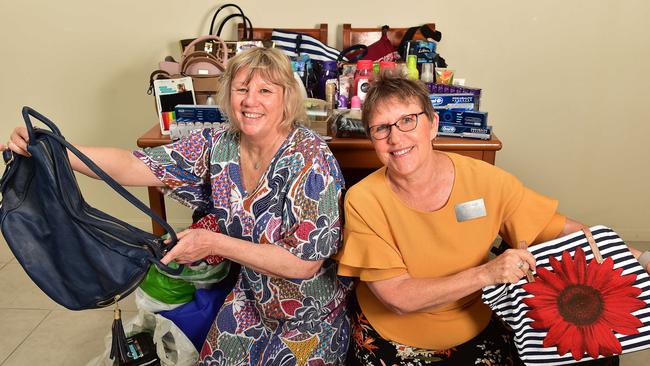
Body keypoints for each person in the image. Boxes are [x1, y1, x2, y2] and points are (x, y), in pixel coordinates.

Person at [4, 47, 352, 365]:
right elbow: (133, 164)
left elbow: (305, 264)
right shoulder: (219, 145)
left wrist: (214, 243)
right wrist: (55, 149)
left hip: (309, 313)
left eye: (265, 91)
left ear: (286, 98)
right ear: (228, 94)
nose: (250, 101)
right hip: (252, 302)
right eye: (242, 89)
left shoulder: (310, 159)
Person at [335, 73, 648, 366]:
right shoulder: (364, 200)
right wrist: (488, 274)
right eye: (381, 128)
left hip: (476, 324)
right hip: (392, 337)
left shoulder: (485, 181)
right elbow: (398, 297)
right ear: (372, 139)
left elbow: (557, 230)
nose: (396, 137)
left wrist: (640, 258)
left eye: (408, 120)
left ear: (433, 124)